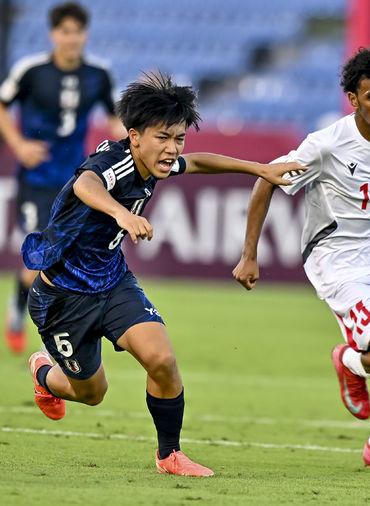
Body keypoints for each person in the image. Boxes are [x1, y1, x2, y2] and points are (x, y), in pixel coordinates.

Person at [23, 71, 303, 476]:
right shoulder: (115, 162)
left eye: (179, 138)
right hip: (62, 299)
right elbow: (86, 184)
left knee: (162, 360)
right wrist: (121, 213)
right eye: (163, 138)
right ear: (134, 136)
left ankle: (169, 455)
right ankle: (43, 374)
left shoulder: (156, 162)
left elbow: (199, 162)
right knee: (91, 393)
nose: (172, 149)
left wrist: (260, 169)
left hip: (112, 283)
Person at [232, 45, 370, 473]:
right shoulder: (326, 144)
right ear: (354, 99)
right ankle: (348, 361)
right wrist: (249, 255)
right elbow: (266, 181)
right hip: (335, 262)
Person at [0, 2, 126, 354]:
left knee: (72, 257)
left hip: (78, 184)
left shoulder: (98, 74)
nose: (71, 38)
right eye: (65, 32)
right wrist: (18, 144)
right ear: (53, 34)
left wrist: (133, 144)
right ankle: (18, 307)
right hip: (36, 180)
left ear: (85, 34)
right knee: (42, 258)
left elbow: (114, 119)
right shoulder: (32, 70)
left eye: (77, 32)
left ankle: (67, 328)